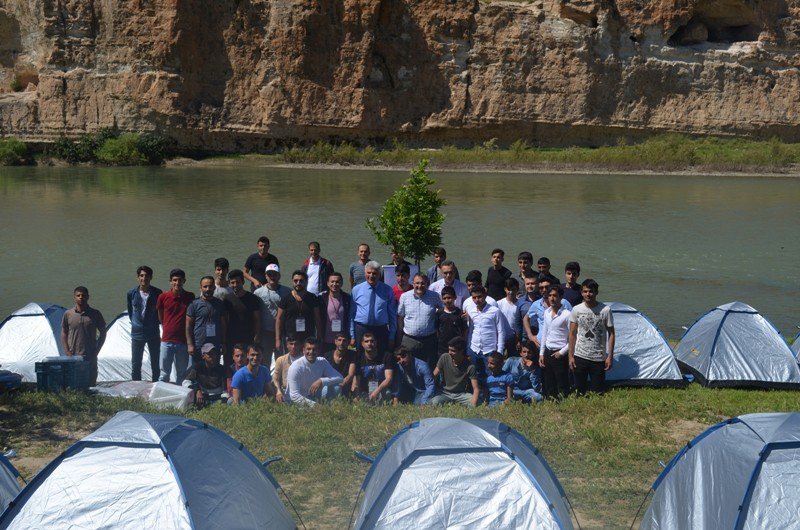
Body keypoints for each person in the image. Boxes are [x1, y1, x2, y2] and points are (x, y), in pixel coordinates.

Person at [569, 279, 615, 395]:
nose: (588, 294)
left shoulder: (605, 310)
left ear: (596, 292)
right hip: (580, 356)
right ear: (581, 292)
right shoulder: (576, 310)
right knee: (580, 391)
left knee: (598, 392)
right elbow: (572, 334)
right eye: (585, 291)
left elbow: (612, 334)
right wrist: (571, 356)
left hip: (598, 357)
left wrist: (609, 356)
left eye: (591, 291)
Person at [61, 286, 106, 386]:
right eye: (78, 295)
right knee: (73, 383)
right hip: (73, 356)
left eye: (83, 295)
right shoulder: (68, 314)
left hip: (90, 355)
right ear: (74, 297)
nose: (81, 297)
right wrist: (67, 351)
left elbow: (103, 333)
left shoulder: (95, 313)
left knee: (91, 383)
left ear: (88, 297)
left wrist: (97, 350)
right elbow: (64, 333)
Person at [350, 261, 397, 355]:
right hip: (361, 329)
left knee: (381, 357)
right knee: (360, 357)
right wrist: (352, 335)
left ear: (379, 274)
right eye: (369, 273)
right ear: (365, 273)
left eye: (375, 273)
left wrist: (392, 336)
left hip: (381, 330)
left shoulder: (387, 290)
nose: (371, 275)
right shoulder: (356, 290)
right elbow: (351, 314)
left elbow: (392, 315)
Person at [157, 269, 195, 384]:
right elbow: (161, 316)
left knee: (182, 374)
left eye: (180, 280)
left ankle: (179, 398)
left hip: (183, 341)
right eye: (174, 280)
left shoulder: (190, 296)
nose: (177, 283)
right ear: (170, 282)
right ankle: (160, 399)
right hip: (167, 340)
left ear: (184, 281)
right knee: (164, 374)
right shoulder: (163, 297)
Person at [396, 273, 442, 370]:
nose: (419, 286)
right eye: (417, 283)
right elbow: (400, 317)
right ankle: (410, 385)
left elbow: (444, 311)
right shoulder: (405, 297)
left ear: (427, 284)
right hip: (409, 340)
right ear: (412, 284)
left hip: (429, 340)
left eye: (423, 283)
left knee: (430, 367)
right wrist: (400, 336)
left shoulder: (435, 296)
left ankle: (430, 385)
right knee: (408, 367)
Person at [127, 265, 162, 382]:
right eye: (141, 276)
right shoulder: (131, 293)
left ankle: (155, 386)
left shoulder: (157, 293)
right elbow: (131, 311)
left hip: (153, 331)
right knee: (136, 363)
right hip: (137, 333)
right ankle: (136, 387)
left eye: (147, 276)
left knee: (155, 363)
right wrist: (136, 323)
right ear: (138, 278)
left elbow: (160, 312)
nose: (144, 278)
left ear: (151, 277)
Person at [286, 337, 344, 406]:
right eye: (308, 349)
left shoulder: (322, 361)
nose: (311, 352)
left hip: (313, 395)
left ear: (318, 351)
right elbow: (294, 396)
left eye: (314, 349)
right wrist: (315, 406)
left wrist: (321, 381)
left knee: (336, 388)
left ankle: (325, 408)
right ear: (303, 350)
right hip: (295, 400)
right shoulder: (295, 367)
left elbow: (340, 378)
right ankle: (319, 408)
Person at [523, 276, 573, 352]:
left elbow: (573, 323)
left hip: (559, 347)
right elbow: (526, 318)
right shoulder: (536, 304)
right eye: (541, 288)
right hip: (540, 345)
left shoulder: (564, 303)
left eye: (547, 287)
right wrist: (530, 336)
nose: (544, 290)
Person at [465, 285, 504, 382]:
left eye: (479, 297)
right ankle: (479, 395)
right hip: (474, 349)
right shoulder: (471, 311)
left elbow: (501, 332)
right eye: (474, 297)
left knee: (491, 375)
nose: (477, 300)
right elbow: (471, 331)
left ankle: (492, 396)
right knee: (475, 375)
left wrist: (499, 352)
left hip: (489, 350)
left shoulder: (495, 311)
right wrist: (468, 348)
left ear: (485, 295)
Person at [254, 264, 291, 366]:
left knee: (282, 359)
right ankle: (266, 381)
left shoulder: (287, 292)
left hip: (282, 332)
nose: (272, 277)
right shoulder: (258, 292)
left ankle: (280, 381)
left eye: (275, 274)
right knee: (265, 359)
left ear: (279, 276)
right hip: (265, 332)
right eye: (269, 274)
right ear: (265, 276)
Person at [186, 276, 227, 367]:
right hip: (198, 345)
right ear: (200, 288)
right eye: (205, 287)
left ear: (214, 287)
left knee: (214, 371)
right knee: (197, 371)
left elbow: (223, 325)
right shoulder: (194, 304)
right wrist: (189, 344)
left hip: (215, 344)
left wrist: (223, 343)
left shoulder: (219, 303)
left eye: (210, 286)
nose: (208, 289)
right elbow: (188, 326)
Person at [539, 285, 572, 399]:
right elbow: (544, 333)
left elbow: (573, 338)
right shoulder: (547, 312)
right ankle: (550, 402)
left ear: (561, 297)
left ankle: (563, 403)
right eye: (550, 295)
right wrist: (541, 353)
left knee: (562, 382)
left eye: (555, 296)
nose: (552, 298)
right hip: (548, 351)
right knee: (549, 381)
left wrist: (562, 352)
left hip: (560, 353)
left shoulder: (567, 314)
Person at [275, 270, 322, 349]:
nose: (298, 283)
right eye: (295, 281)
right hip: (290, 339)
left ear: (306, 282)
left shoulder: (313, 298)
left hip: (308, 339)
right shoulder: (285, 298)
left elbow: (317, 319)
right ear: (292, 282)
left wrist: (319, 337)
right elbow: (279, 319)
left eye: (301, 281)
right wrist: (277, 339)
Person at [224, 269, 261, 368]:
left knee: (247, 364)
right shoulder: (227, 299)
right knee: (229, 364)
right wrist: (223, 339)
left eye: (238, 282)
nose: (235, 285)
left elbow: (257, 319)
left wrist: (256, 336)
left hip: (248, 337)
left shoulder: (252, 298)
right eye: (232, 283)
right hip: (231, 338)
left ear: (243, 282)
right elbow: (224, 320)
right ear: (229, 283)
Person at [431, 337, 480, 407]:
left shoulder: (470, 366)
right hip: (445, 393)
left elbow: (476, 388)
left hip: (461, 394)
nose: (449, 353)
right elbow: (434, 376)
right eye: (449, 350)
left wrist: (474, 403)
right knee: (435, 401)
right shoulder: (444, 357)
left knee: (476, 401)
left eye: (453, 351)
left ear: (461, 351)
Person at [355, 332, 395, 402]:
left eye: (372, 341)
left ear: (376, 342)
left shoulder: (386, 356)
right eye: (366, 341)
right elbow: (356, 382)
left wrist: (376, 391)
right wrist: (356, 395)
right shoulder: (358, 359)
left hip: (382, 389)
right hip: (365, 391)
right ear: (362, 344)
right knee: (362, 400)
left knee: (387, 394)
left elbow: (389, 379)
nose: (369, 344)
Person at [319, 272, 351, 353]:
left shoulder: (347, 298)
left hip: (341, 340)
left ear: (342, 283)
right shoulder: (321, 298)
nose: (334, 284)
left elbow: (351, 318)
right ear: (327, 283)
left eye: (337, 282)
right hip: (326, 339)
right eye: (332, 281)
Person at [436, 286, 467, 356]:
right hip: (442, 348)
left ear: (455, 297)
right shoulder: (439, 313)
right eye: (444, 298)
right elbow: (437, 329)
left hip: (456, 348)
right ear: (441, 299)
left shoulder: (460, 313)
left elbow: (465, 330)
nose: (447, 300)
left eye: (449, 298)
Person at [325, 333, 357, 397]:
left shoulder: (352, 355)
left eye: (344, 341)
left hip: (345, 385)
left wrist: (339, 386)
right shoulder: (327, 356)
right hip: (330, 384)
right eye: (339, 340)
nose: (341, 343)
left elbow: (350, 375)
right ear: (335, 341)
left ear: (348, 342)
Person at [273, 334, 303, 403]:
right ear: (287, 345)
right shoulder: (281, 360)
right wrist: (278, 391)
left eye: (296, 344)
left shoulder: (305, 359)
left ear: (300, 345)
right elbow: (275, 378)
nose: (294, 347)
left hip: (302, 391)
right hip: (285, 391)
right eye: (291, 344)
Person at [497, 278, 521, 357]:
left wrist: (518, 340)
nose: (510, 292)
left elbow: (519, 324)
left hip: (513, 338)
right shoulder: (499, 303)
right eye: (508, 289)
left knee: (513, 358)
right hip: (500, 336)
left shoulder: (520, 305)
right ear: (505, 289)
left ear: (517, 289)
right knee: (499, 358)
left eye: (513, 289)